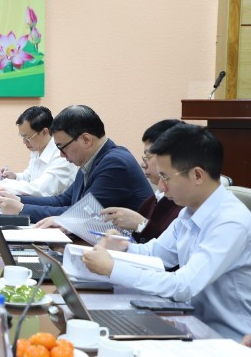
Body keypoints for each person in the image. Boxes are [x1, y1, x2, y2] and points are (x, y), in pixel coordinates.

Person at [82, 124, 251, 340]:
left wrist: (113, 268)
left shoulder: (230, 222)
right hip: (189, 323)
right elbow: (157, 254)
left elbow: (184, 285)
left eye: (166, 177)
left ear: (197, 175)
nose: (161, 187)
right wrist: (124, 248)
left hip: (227, 340)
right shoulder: (189, 212)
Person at [0, 105, 152, 224]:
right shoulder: (91, 160)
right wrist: (19, 200)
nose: (61, 155)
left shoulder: (115, 164)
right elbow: (63, 200)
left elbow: (82, 215)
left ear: (86, 140)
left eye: (62, 147)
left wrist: (22, 209)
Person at [99, 119, 184, 243]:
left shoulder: (184, 203)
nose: (143, 164)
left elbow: (169, 250)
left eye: (148, 156)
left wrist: (141, 224)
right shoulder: (151, 201)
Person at [0, 106, 77, 196]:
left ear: (44, 132)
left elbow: (39, 189)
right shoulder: (38, 149)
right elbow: (30, 177)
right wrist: (15, 177)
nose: (24, 142)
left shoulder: (61, 156)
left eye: (27, 137)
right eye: (22, 137)